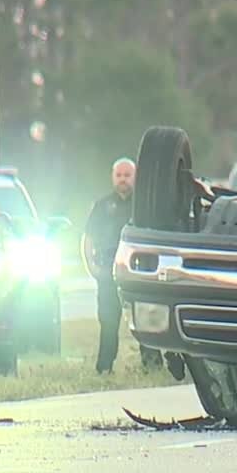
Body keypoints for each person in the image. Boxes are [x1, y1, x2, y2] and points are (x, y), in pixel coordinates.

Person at [84, 157, 182, 376]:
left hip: (139, 271)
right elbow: (88, 237)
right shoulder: (102, 206)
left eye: (127, 175)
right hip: (108, 271)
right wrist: (91, 266)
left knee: (145, 318)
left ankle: (152, 363)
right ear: (112, 177)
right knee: (108, 321)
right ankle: (104, 367)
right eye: (118, 175)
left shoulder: (145, 205)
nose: (122, 180)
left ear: (135, 177)